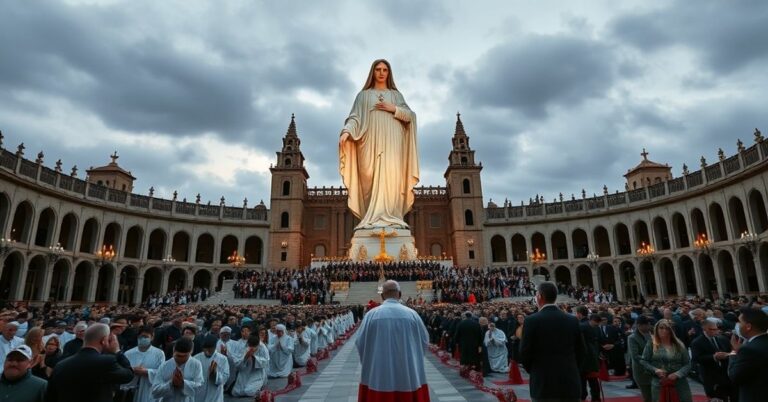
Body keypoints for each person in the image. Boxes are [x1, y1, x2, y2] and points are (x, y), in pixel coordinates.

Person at [339, 59, 419, 230]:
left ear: (389, 73)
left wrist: (394, 109)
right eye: (378, 69)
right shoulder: (363, 96)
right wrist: (346, 131)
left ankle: (393, 218)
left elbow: (410, 116)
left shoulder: (396, 96)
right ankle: (371, 218)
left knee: (392, 179)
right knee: (369, 176)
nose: (381, 73)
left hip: (393, 143)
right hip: (369, 142)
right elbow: (355, 118)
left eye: (385, 70)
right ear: (372, 72)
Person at [355, 280, 429, 401]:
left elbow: (360, 342)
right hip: (407, 372)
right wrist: (414, 358)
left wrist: (370, 361)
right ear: (400, 294)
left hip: (379, 372)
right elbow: (424, 341)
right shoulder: (412, 315)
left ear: (382, 296)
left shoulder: (370, 315)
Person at [519, 281, 584, 402]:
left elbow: (525, 352)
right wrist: (572, 368)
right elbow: (581, 351)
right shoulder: (572, 320)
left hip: (543, 381)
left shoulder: (531, 320)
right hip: (569, 380)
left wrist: (535, 370)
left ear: (539, 296)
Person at [46, 323, 135, 402]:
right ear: (104, 340)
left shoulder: (61, 364)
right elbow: (128, 375)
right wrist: (117, 351)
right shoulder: (106, 361)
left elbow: (51, 396)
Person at [639, 319, 693, 402]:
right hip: (659, 382)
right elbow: (644, 361)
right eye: (661, 328)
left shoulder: (679, 344)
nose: (664, 330)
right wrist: (655, 370)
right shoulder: (651, 344)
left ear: (671, 330)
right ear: (656, 329)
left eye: (667, 328)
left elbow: (688, 364)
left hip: (679, 383)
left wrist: (678, 374)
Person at [727, 306, 768, 402]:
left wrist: (734, 352)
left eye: (740, 322)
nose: (737, 325)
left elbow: (735, 376)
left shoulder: (748, 350)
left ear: (748, 326)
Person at [691, 317, 737, 402]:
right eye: (713, 329)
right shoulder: (697, 342)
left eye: (717, 329)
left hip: (726, 375)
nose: (716, 331)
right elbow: (696, 358)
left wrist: (729, 354)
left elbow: (729, 351)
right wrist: (714, 357)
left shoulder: (722, 339)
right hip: (711, 377)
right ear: (705, 329)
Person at [151, 337, 204, 402]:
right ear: (173, 351)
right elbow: (154, 392)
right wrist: (170, 384)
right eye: (178, 356)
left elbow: (200, 388)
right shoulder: (165, 366)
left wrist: (183, 383)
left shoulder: (196, 364)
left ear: (191, 352)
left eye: (184, 356)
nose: (180, 359)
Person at [122, 326, 166, 402]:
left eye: (146, 337)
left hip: (148, 390)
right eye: (141, 336)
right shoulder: (128, 353)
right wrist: (132, 370)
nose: (143, 339)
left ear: (152, 337)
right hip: (130, 390)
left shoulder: (159, 354)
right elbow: (122, 371)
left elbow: (162, 373)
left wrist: (147, 372)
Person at [193, 335, 229, 402]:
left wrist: (215, 374)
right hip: (199, 394)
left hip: (215, 394)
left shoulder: (222, 359)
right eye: (205, 348)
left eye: (210, 349)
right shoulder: (196, 358)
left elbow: (225, 377)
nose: (207, 351)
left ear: (215, 347)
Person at [575, 307, 600, 402]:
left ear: (579, 313)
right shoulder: (594, 326)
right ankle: (596, 398)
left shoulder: (580, 326)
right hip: (593, 356)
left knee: (582, 379)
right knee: (593, 379)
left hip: (583, 358)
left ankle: (583, 396)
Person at [627, 316, 653, 402]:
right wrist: (650, 359)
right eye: (647, 325)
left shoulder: (650, 335)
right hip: (641, 371)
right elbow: (635, 356)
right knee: (647, 397)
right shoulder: (632, 338)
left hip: (653, 370)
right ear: (639, 325)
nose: (649, 326)